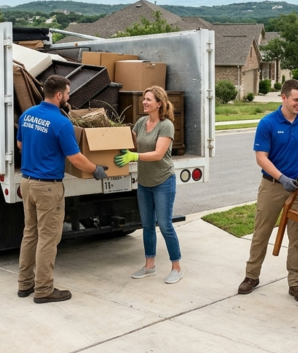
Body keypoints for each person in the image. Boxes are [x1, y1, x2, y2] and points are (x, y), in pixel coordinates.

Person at [17, 75, 108, 304]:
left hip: (27, 183)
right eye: (67, 93)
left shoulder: (27, 115)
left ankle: (25, 284)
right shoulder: (61, 122)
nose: (68, 97)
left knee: (30, 234)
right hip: (48, 187)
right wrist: (95, 169)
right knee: (48, 238)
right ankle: (43, 289)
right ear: (59, 95)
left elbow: (20, 144)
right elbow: (75, 158)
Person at [238, 79, 298, 303]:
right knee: (262, 232)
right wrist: (281, 177)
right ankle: (251, 276)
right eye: (296, 100)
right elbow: (261, 158)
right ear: (283, 98)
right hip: (272, 186)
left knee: (297, 237)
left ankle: (295, 283)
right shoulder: (268, 123)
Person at [115, 86, 183, 284]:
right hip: (144, 182)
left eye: (148, 99)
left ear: (159, 103)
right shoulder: (141, 122)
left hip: (163, 181)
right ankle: (149, 266)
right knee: (147, 226)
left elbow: (158, 154)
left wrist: (133, 156)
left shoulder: (166, 125)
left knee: (165, 225)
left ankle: (176, 268)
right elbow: (131, 144)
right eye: (144, 99)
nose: (144, 102)